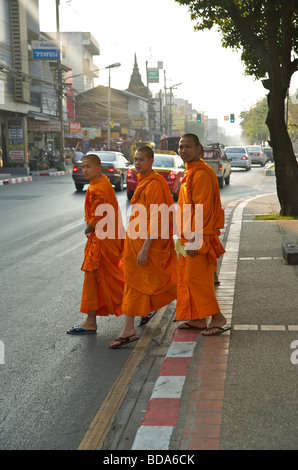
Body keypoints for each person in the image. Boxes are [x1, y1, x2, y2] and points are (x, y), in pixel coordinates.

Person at [109, 146, 177, 348]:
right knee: (137, 282)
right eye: (135, 159)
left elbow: (158, 217)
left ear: (151, 161)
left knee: (139, 283)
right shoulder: (145, 181)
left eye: (141, 160)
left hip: (146, 243)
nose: (137, 163)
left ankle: (128, 328)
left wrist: (146, 248)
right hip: (136, 241)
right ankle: (131, 324)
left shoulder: (155, 184)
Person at [175, 134, 230, 336]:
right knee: (191, 279)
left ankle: (217, 317)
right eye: (181, 147)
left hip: (197, 237)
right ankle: (198, 319)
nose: (183, 151)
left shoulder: (200, 174)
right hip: (189, 236)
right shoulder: (191, 172)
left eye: (188, 147)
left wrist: (193, 239)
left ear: (199, 149)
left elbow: (202, 209)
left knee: (197, 279)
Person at [67, 154, 125, 334]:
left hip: (101, 240)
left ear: (98, 168)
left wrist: (88, 228)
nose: (84, 170)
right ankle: (90, 320)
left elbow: (100, 213)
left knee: (111, 279)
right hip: (106, 238)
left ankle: (144, 301)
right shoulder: (102, 182)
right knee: (105, 278)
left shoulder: (98, 188)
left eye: (88, 167)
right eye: (82, 167)